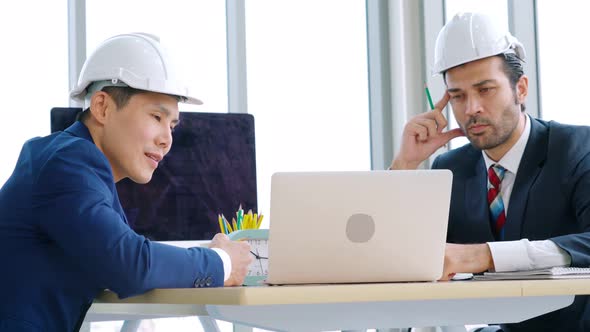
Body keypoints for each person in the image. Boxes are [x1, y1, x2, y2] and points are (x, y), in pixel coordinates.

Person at [0, 33, 252, 332]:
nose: (167, 139)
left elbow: (119, 257)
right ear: (102, 107)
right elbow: (129, 265)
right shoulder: (67, 162)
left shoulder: (80, 168)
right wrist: (220, 262)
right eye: (156, 116)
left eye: (172, 125)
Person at [390, 12, 590, 331]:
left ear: (520, 89)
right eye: (458, 96)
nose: (471, 109)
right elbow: (401, 258)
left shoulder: (576, 147)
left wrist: (483, 256)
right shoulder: (450, 170)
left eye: (485, 90)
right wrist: (405, 165)